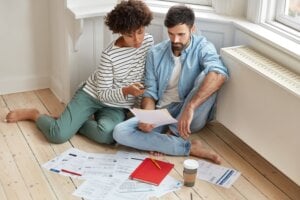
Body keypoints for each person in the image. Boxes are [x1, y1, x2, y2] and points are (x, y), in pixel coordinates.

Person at [5, 0, 154, 144]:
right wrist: (127, 90)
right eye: (129, 35)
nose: (136, 39)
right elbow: (102, 94)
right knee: (58, 135)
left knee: (109, 136)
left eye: (140, 32)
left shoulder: (148, 42)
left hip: (116, 106)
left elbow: (148, 76)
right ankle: (35, 115)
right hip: (92, 95)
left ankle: (72, 123)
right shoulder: (109, 55)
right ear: (119, 32)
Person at [113, 5, 229, 164]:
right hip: (164, 112)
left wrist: (190, 107)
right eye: (171, 34)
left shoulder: (203, 47)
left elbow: (219, 74)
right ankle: (187, 146)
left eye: (181, 35)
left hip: (189, 115)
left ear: (192, 29)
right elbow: (150, 93)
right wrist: (148, 117)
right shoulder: (155, 53)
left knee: (208, 75)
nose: (175, 40)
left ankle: (166, 139)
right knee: (120, 132)